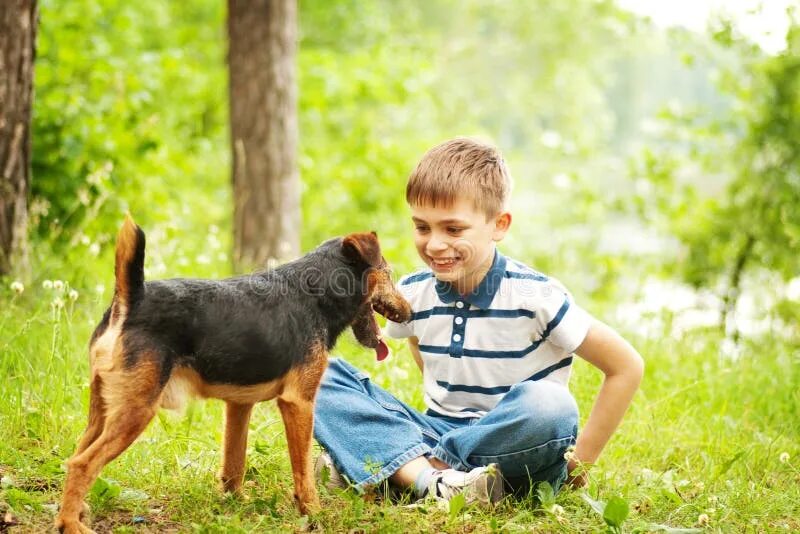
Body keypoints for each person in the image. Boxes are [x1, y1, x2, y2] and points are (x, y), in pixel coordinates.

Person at [313, 137, 644, 505]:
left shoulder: (537, 296)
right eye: (422, 227)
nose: (435, 244)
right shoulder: (414, 292)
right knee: (315, 370)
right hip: (436, 429)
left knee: (551, 405)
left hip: (515, 447)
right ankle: (435, 481)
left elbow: (626, 366)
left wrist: (579, 466)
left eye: (453, 229)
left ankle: (401, 469)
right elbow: (420, 346)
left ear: (499, 225)